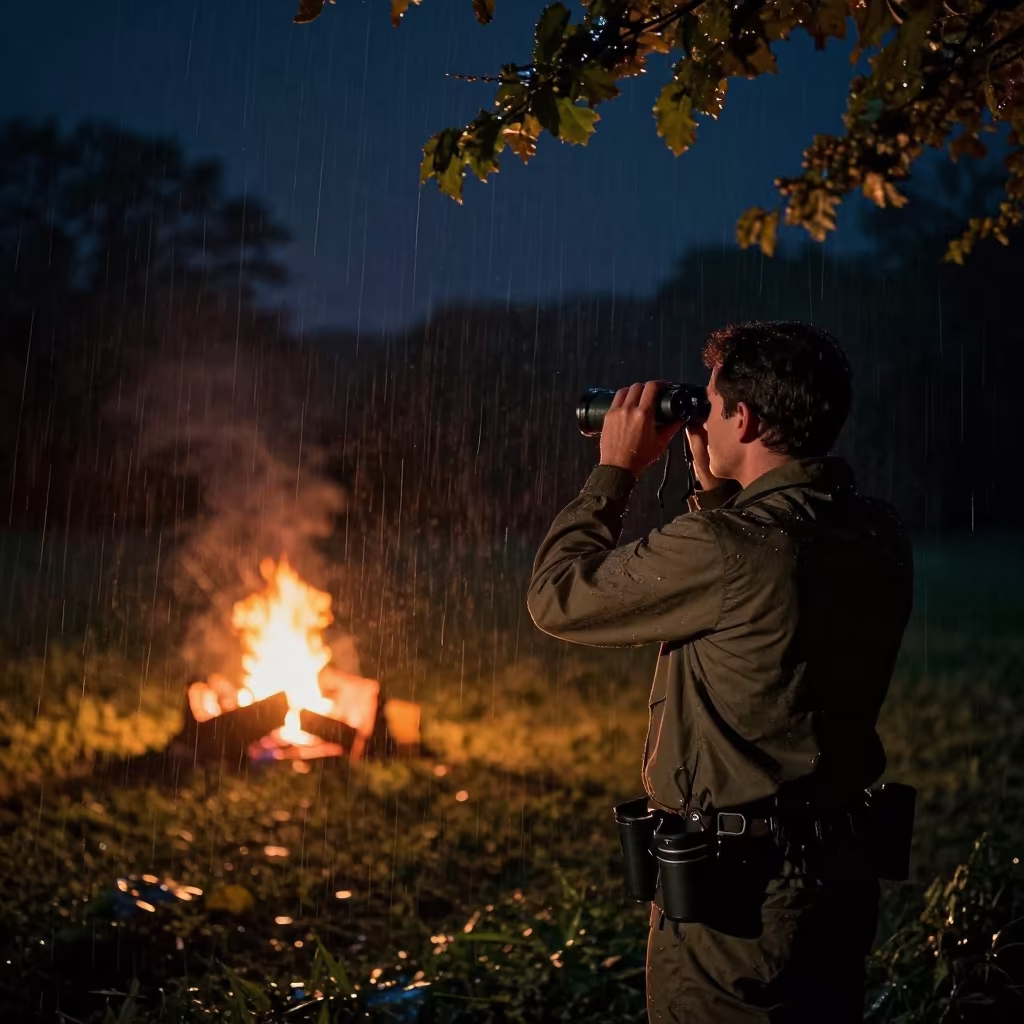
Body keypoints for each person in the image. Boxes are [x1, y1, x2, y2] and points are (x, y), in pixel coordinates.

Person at [526, 321, 914, 1023]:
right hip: (837, 873)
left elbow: (558, 598)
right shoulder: (875, 528)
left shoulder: (729, 546)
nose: (698, 418)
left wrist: (616, 470)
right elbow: (771, 595)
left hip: (740, 897)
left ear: (744, 416)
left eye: (706, 405)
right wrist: (714, 486)